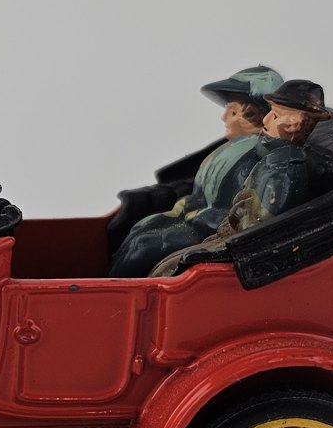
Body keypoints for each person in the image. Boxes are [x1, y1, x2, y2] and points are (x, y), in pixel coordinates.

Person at [146, 79, 333, 277]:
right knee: (165, 258)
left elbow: (258, 228)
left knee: (169, 266)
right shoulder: (272, 160)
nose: (265, 120)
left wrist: (227, 218)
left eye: (275, 115)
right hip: (229, 236)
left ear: (292, 124)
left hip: (239, 247)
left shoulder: (283, 171)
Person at [109, 66, 283, 278]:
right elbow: (199, 193)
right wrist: (183, 207)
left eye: (233, 112)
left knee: (144, 247)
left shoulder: (252, 158)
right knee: (142, 227)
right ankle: (108, 280)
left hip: (211, 231)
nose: (223, 117)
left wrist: (196, 216)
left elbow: (232, 212)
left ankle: (118, 290)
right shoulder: (227, 150)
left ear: (253, 116)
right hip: (194, 217)